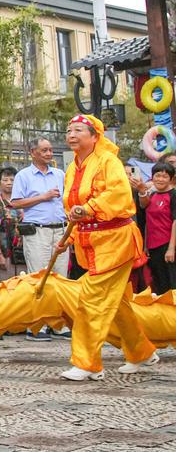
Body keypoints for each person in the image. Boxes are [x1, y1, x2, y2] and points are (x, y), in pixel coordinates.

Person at [57, 114, 158, 381]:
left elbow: (118, 195)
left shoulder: (108, 162)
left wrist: (88, 208)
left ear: (94, 136)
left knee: (91, 300)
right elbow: (71, 207)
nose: (71, 135)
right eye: (69, 130)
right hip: (90, 241)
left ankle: (87, 363)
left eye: (78, 130)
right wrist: (69, 235)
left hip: (114, 241)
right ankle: (141, 352)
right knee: (117, 304)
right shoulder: (72, 168)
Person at [11, 137, 69, 341]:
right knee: (39, 278)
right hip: (37, 231)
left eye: (50, 150)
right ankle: (37, 326)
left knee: (60, 278)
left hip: (60, 230)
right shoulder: (23, 176)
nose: (49, 154)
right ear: (32, 152)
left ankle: (59, 324)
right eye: (44, 150)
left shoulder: (60, 174)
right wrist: (42, 197)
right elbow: (15, 203)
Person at [134, 161, 176, 295]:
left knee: (171, 281)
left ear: (171, 178)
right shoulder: (151, 194)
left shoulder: (173, 195)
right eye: (157, 175)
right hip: (152, 246)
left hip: (167, 244)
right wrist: (145, 245)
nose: (160, 179)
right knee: (158, 281)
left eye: (165, 176)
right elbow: (144, 209)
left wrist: (171, 248)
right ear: (152, 177)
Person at [0, 166, 23, 282]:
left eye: (12, 180)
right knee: (4, 286)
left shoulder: (23, 200)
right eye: (5, 180)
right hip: (4, 250)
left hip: (23, 252)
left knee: (24, 284)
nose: (9, 183)